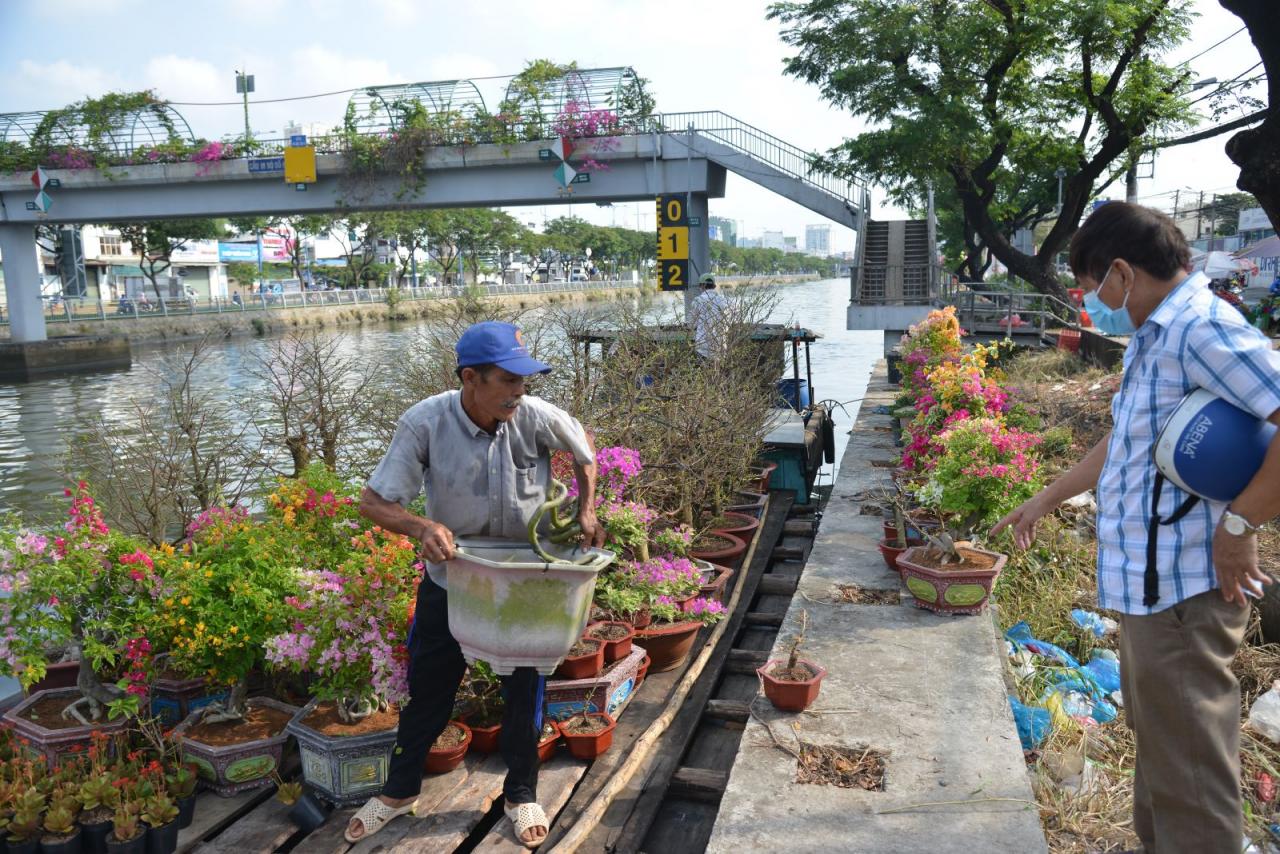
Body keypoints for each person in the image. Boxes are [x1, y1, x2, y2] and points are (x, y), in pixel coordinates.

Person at [993, 202, 1280, 853]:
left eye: (1093, 285)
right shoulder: (1155, 338)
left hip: (1185, 596)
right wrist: (1045, 498)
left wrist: (1241, 524)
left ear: (1121, 272)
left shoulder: (1201, 329)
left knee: (1192, 781)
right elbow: (1124, 442)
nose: (1092, 301)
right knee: (1162, 768)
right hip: (1151, 596)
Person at [345, 321, 604, 849]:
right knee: (430, 688)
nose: (518, 391)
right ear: (470, 377)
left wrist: (586, 507)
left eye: (523, 380)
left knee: (525, 689)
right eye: (507, 380)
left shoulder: (532, 415)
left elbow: (585, 452)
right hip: (454, 576)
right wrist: (422, 527)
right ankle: (398, 792)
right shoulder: (425, 422)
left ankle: (521, 793)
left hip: (528, 581)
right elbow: (373, 502)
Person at [690, 273, 730, 361]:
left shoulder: (698, 300)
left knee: (703, 371)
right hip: (720, 344)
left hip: (702, 345)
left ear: (703, 285)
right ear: (714, 286)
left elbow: (693, 324)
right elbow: (727, 322)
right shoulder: (723, 300)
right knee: (718, 371)